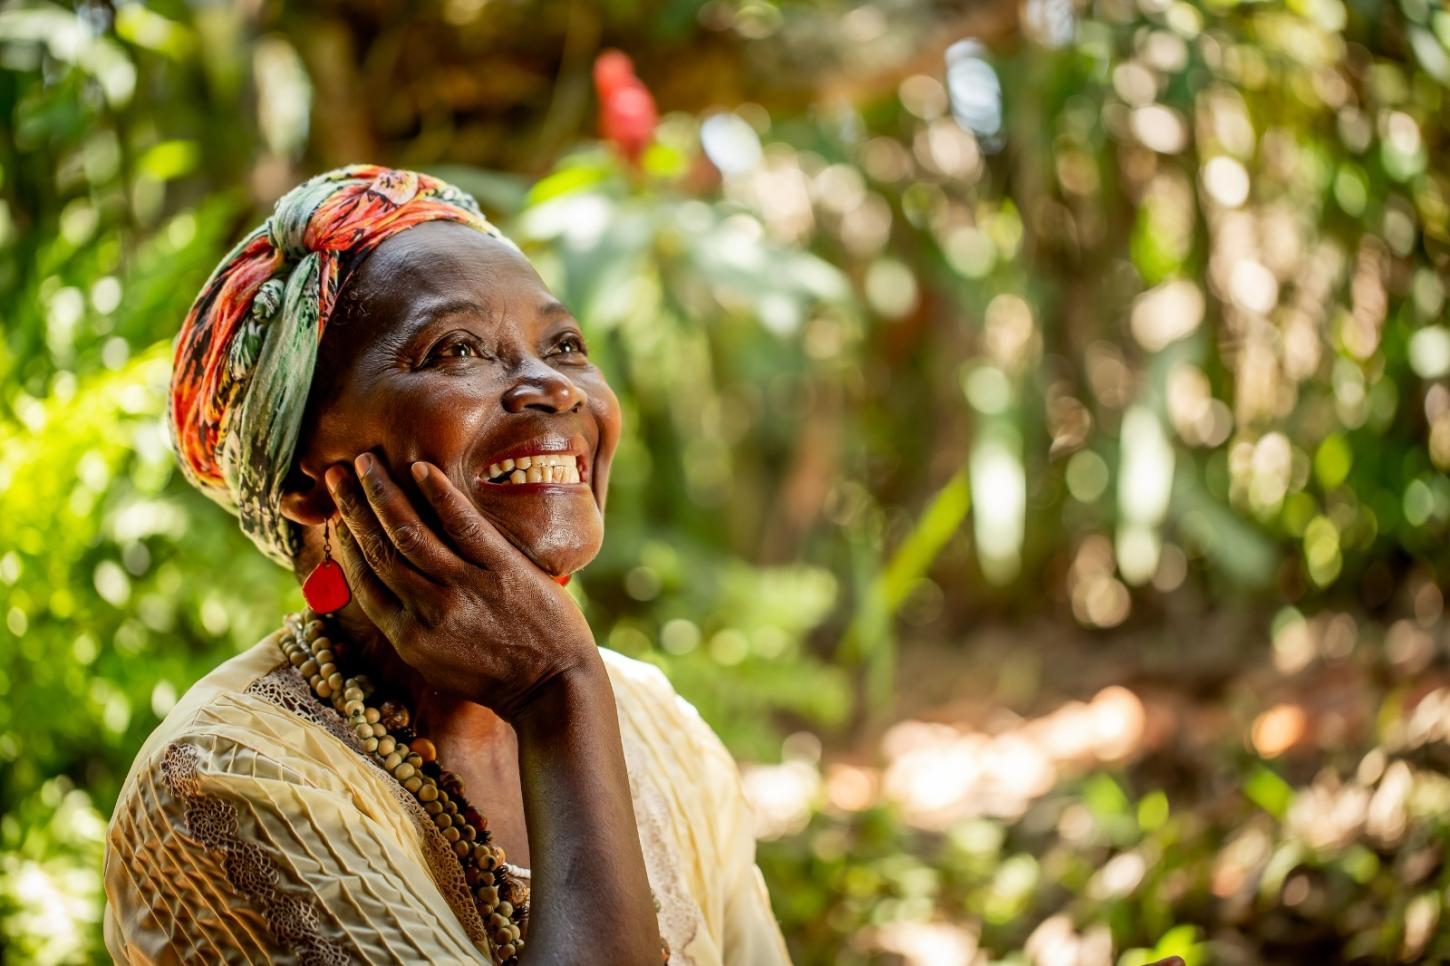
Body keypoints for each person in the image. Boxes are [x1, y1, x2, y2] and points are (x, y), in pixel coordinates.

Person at [102, 164, 791, 965]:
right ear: (303, 483)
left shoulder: (655, 723)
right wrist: (558, 691)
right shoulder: (227, 784)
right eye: (458, 349)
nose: (554, 388)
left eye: (565, 345)